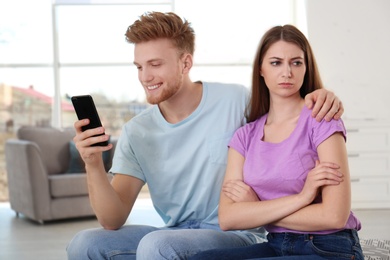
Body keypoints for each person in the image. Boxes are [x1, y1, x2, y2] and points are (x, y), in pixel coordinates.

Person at [66, 13, 345, 260]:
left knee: (157, 246)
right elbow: (112, 218)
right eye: (139, 66)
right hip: (173, 234)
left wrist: (322, 95)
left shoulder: (236, 100)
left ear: (185, 62)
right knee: (85, 244)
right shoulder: (137, 130)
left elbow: (283, 108)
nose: (145, 76)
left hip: (239, 233)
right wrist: (92, 163)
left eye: (155, 64)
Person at [189, 24, 363, 260]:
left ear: (306, 67)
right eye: (276, 62)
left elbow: (334, 216)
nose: (287, 72)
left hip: (328, 246)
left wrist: (257, 207)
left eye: (296, 62)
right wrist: (303, 197)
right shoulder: (244, 136)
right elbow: (228, 218)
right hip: (277, 244)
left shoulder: (322, 120)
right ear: (261, 69)